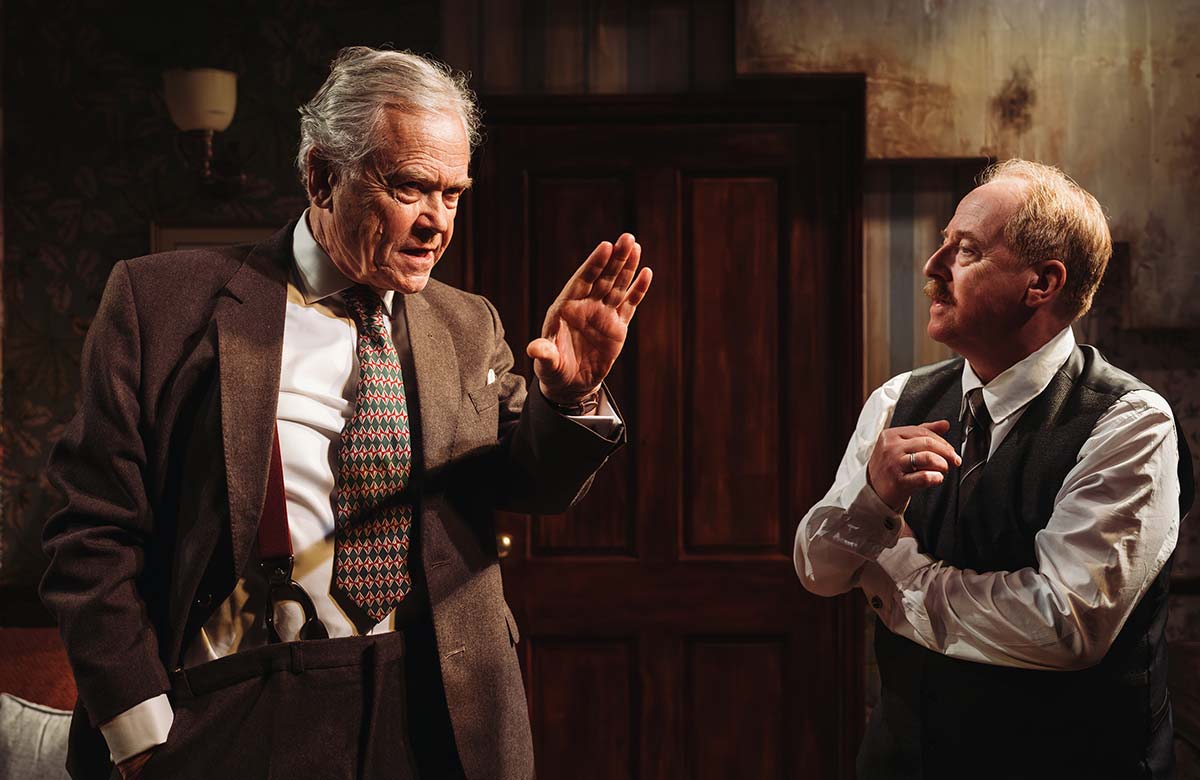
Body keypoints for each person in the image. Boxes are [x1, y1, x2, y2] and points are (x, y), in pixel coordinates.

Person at [41, 46, 651, 780]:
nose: (437, 223)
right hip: (237, 703)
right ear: (322, 177)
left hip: (433, 706)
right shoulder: (161, 302)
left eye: (453, 194)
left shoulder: (467, 323)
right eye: (410, 188)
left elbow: (533, 483)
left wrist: (569, 398)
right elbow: (91, 533)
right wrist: (141, 734)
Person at [794, 159, 1193, 778]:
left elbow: (1064, 626)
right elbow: (820, 571)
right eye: (943, 245)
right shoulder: (897, 400)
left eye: (967, 250)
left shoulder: (1131, 422)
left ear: (1042, 283)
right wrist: (872, 501)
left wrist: (897, 577)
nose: (932, 268)